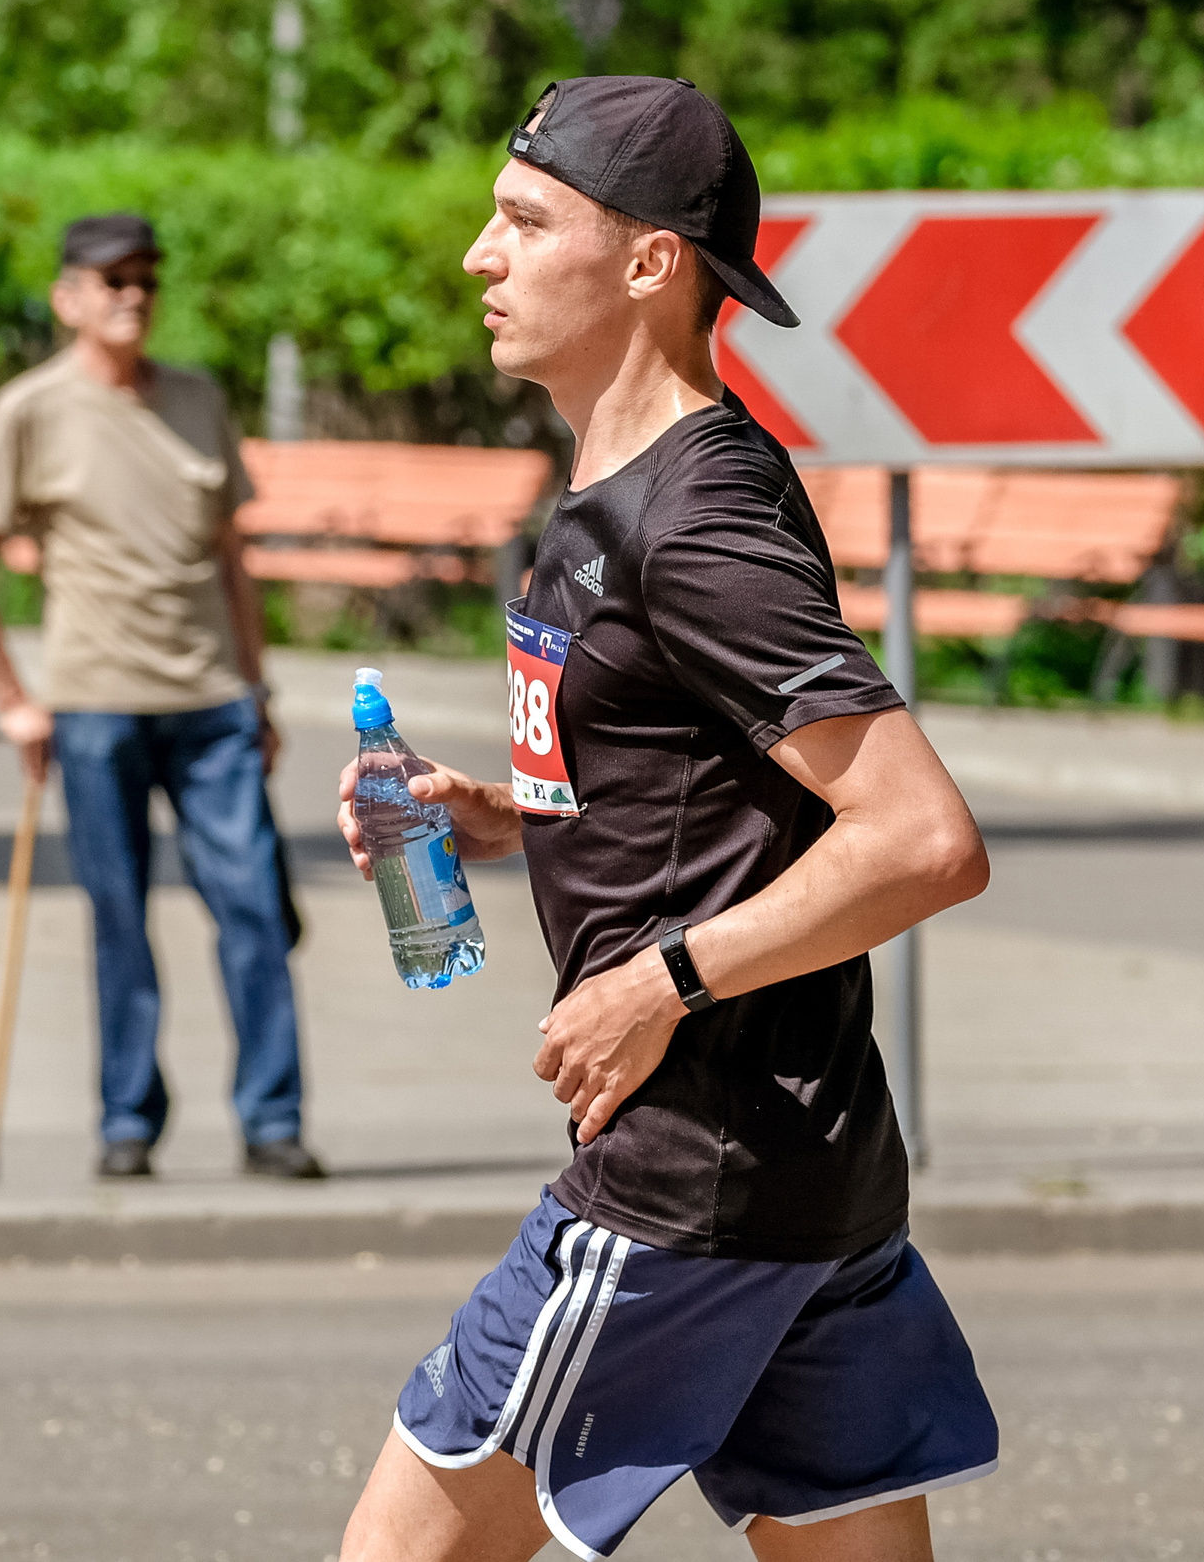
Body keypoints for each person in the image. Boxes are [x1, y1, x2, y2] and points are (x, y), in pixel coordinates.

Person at [334, 79, 999, 1562]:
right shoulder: (622, 485)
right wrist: (507, 811)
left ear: (649, 263)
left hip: (682, 1181)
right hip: (804, 1169)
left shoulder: (691, 516)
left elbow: (919, 836)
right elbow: (720, 777)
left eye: (522, 220)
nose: (476, 256)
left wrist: (658, 980)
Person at [0, 213, 324, 1183]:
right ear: (67, 298)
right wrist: (14, 700)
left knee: (254, 912)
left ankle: (272, 1120)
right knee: (119, 917)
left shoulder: (196, 399)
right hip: (95, 705)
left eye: (146, 277)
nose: (132, 296)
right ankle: (126, 1120)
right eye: (110, 281)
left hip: (211, 706)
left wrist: (258, 687)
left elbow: (234, 559)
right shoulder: (30, 410)